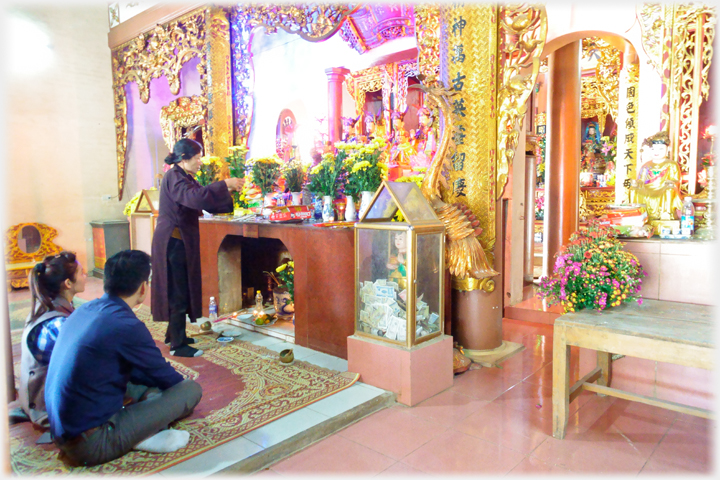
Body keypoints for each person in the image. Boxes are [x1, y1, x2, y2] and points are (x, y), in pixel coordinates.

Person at [45, 250, 203, 467]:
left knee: (140, 381)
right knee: (190, 390)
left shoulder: (85, 309)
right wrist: (168, 392)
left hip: (64, 432)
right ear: (143, 287)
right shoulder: (127, 325)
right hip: (91, 444)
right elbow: (169, 380)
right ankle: (143, 434)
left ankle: (144, 420)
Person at [151, 138, 243, 357]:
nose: (200, 162)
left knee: (180, 289)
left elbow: (202, 198)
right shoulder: (175, 177)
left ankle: (176, 335)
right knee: (177, 292)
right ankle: (178, 346)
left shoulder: (182, 176)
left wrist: (225, 194)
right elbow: (195, 197)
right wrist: (225, 185)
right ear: (184, 159)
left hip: (178, 241)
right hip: (172, 243)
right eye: (197, 157)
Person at [16, 251, 87, 428]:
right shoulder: (57, 323)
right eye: (81, 273)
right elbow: (81, 365)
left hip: (40, 393)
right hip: (46, 405)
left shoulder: (48, 304)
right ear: (68, 283)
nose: (85, 276)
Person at [629, 130, 684, 221]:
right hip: (647, 188)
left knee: (669, 190)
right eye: (653, 149)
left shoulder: (671, 164)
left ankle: (666, 213)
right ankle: (634, 213)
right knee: (633, 190)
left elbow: (676, 179)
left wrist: (671, 182)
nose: (656, 152)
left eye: (660, 149)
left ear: (668, 150)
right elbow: (641, 180)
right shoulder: (646, 165)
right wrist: (636, 183)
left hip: (663, 188)